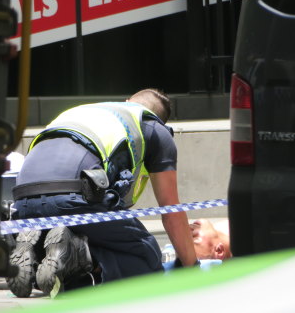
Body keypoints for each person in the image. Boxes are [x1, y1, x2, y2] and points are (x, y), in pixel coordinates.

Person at [10, 89, 197, 297]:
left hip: (22, 200)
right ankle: (78, 253)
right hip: (72, 196)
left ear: (127, 101)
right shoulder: (152, 127)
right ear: (160, 120)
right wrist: (193, 270)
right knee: (146, 256)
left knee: (60, 250)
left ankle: (34, 250)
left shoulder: (87, 112)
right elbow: (172, 212)